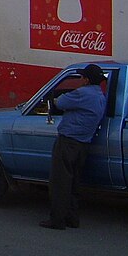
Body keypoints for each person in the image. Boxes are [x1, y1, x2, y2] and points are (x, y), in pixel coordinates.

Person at [40, 63, 108, 230]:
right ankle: (72, 217)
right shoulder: (101, 96)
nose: (80, 80)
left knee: (60, 183)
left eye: (82, 77)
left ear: (86, 80)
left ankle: (57, 220)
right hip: (83, 144)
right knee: (74, 183)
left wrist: (55, 99)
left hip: (68, 142)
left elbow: (61, 102)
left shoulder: (83, 93)